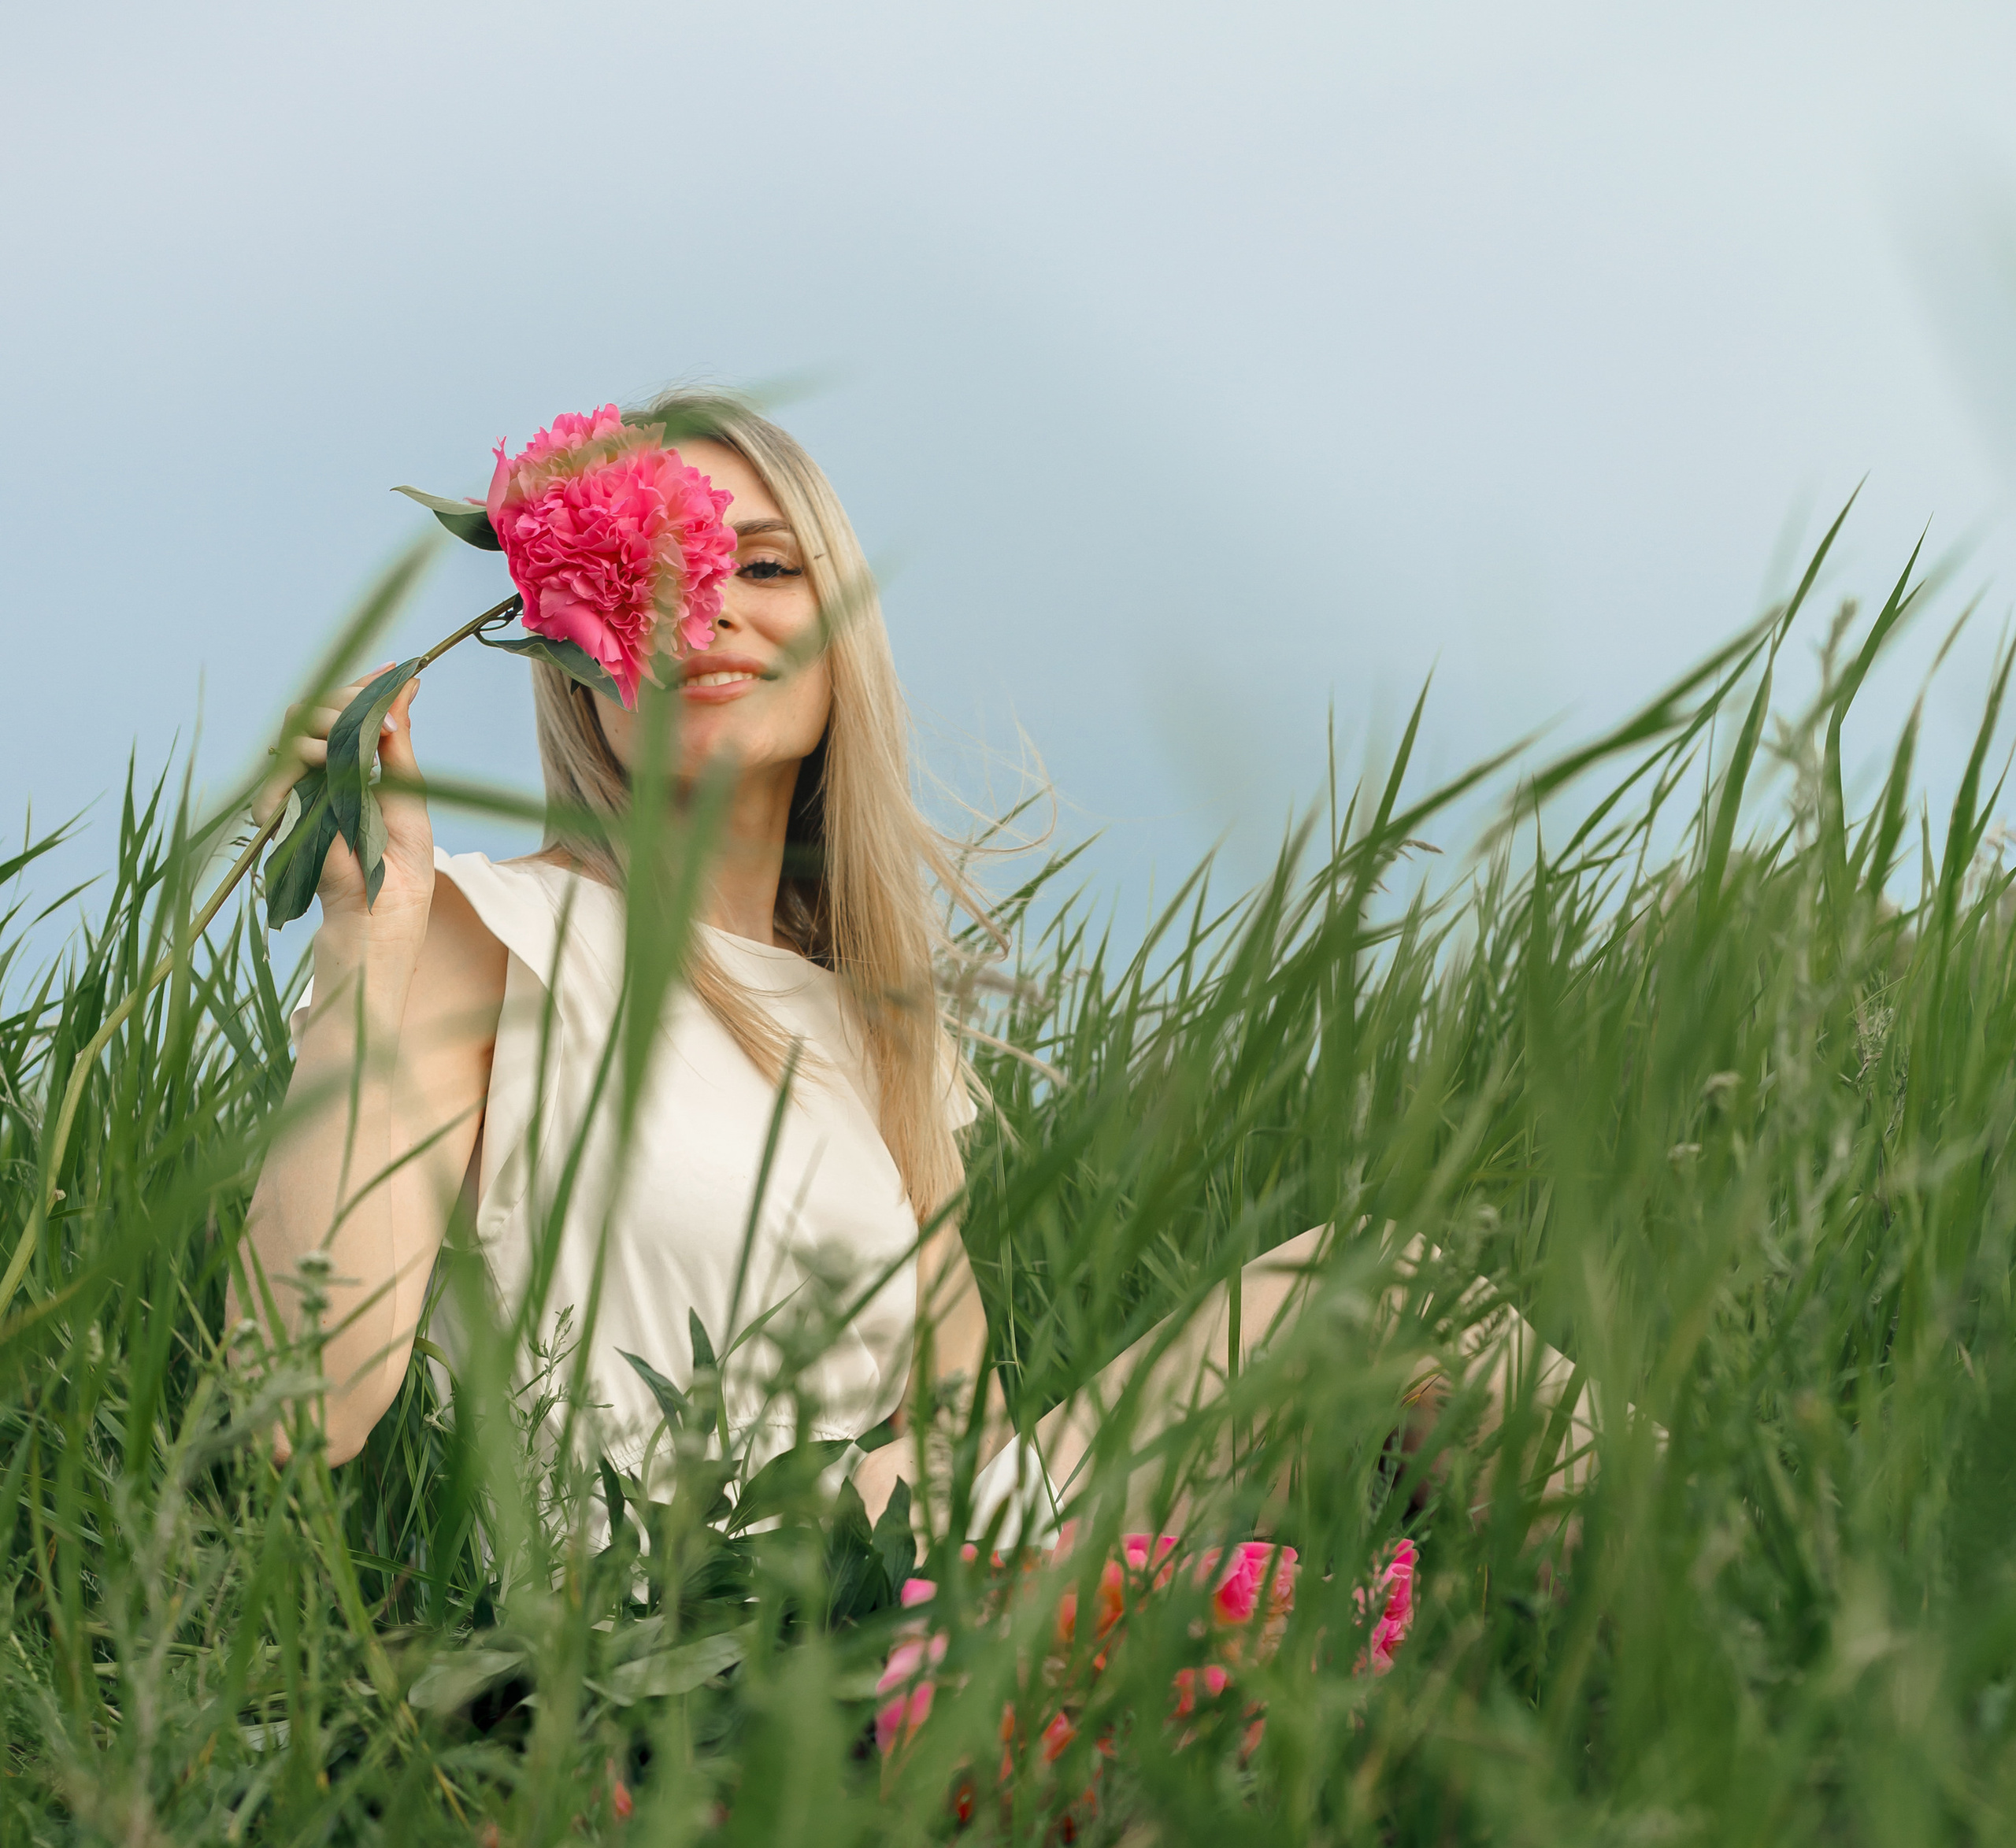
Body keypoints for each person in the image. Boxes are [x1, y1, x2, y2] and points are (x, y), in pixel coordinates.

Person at [237, 387, 1593, 1543]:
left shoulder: (876, 1025)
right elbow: (304, 1408)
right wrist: (367, 936)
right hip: (662, 1634)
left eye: (763, 568)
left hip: (914, 1587)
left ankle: (1711, 1643)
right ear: (570, 648)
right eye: (644, 577)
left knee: (1377, 1293)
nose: (705, 610)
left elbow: (966, 1454)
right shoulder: (485, 938)